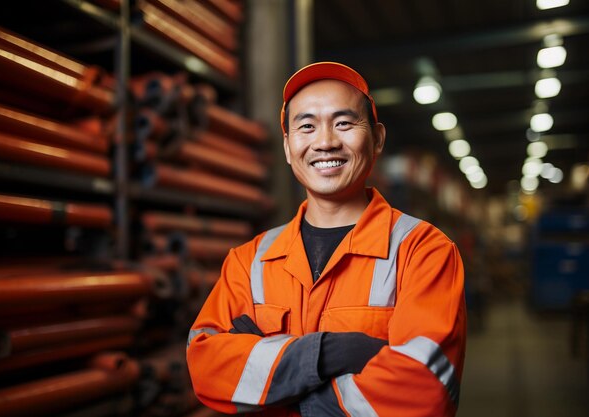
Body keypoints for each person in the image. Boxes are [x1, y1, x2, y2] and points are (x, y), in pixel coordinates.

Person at [186, 62, 467, 417]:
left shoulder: (423, 251)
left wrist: (280, 388)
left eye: (344, 123)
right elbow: (205, 364)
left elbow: (424, 389)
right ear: (288, 148)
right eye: (306, 126)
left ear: (377, 139)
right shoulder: (249, 261)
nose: (325, 142)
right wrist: (328, 352)